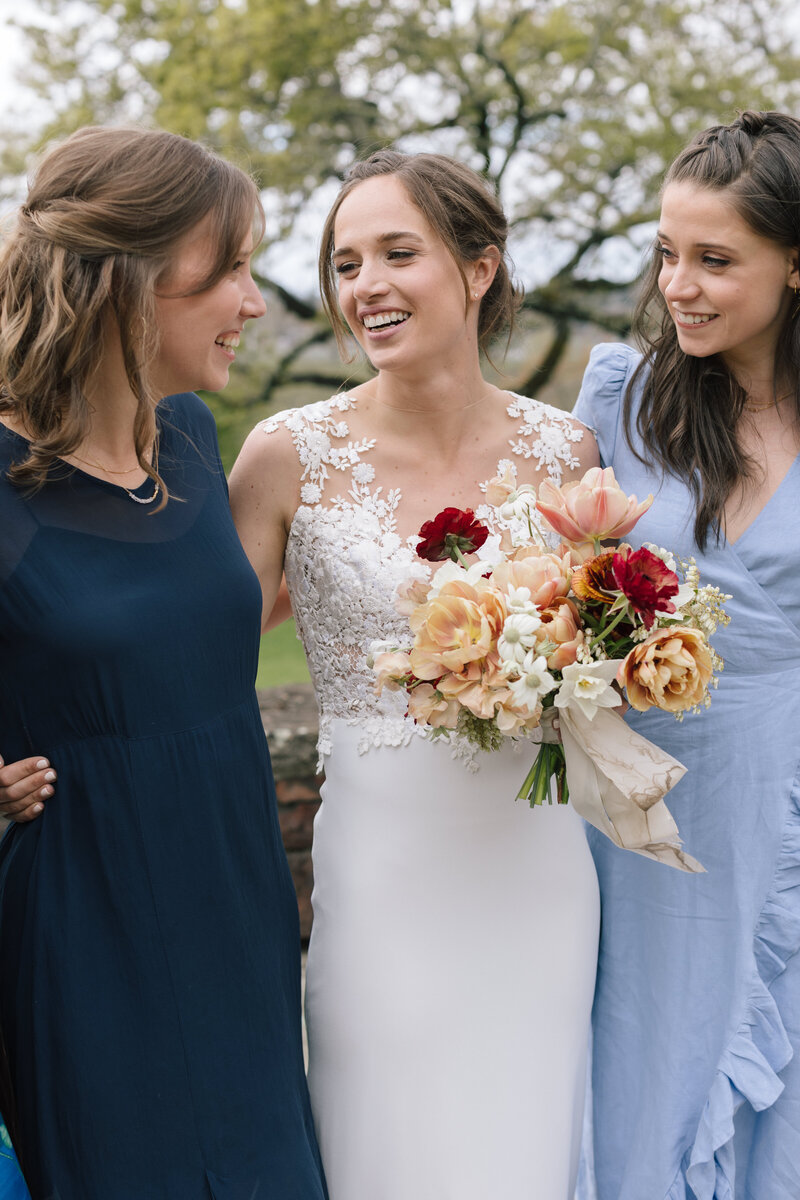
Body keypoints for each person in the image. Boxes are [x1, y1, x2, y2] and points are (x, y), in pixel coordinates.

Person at [227, 150, 601, 1198]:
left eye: (398, 253)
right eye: (345, 264)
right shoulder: (283, 455)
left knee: (526, 1138)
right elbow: (191, 652)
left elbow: (594, 651)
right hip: (381, 874)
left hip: (534, 868)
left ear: (478, 269)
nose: (365, 287)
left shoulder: (566, 450)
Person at [0, 126, 327, 1199]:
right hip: (88, 928)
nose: (253, 301)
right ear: (129, 285)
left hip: (237, 902)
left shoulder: (189, 437)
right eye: (228, 271)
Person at [572, 110, 800, 1199]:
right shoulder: (624, 396)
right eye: (667, 253)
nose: (679, 285)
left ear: (793, 266)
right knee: (635, 1050)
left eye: (715, 259)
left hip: (784, 792)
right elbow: (554, 572)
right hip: (636, 803)